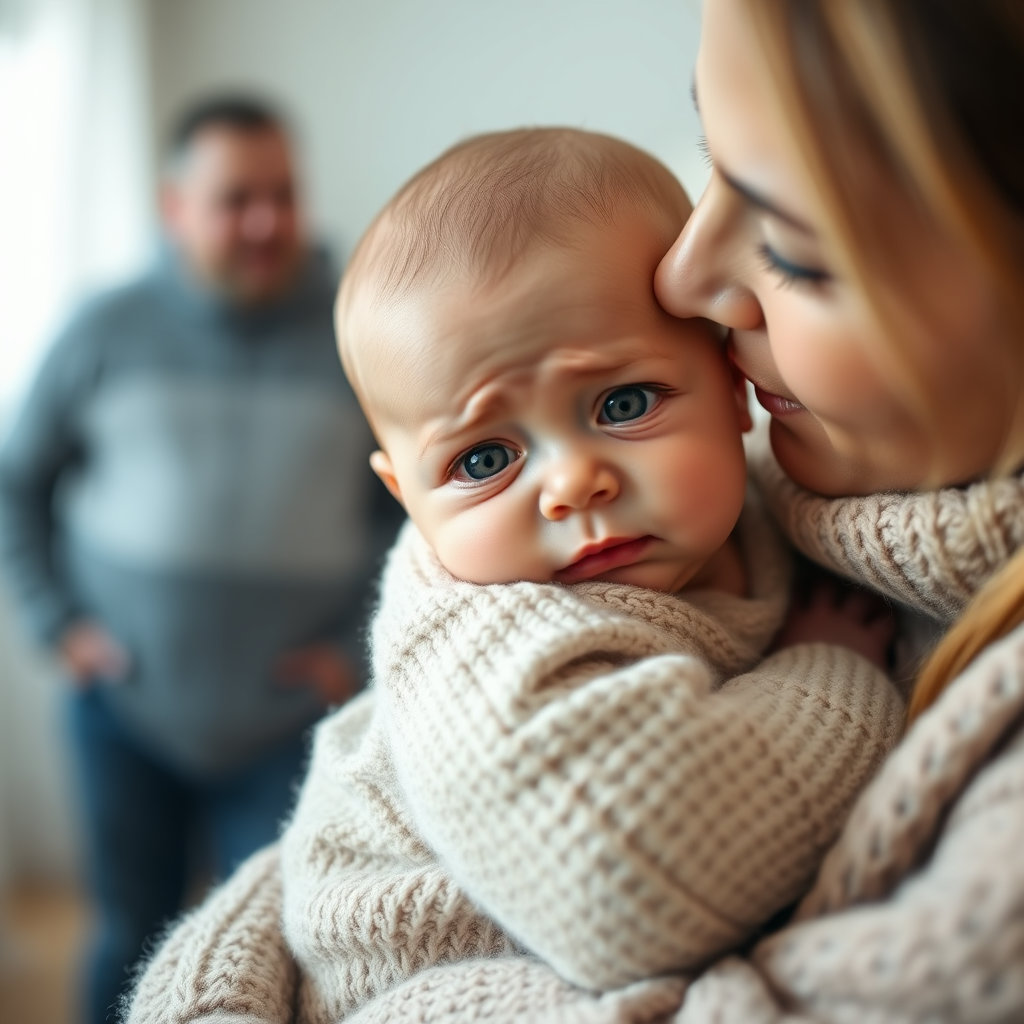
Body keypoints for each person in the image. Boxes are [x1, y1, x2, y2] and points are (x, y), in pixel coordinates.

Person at [124, 127, 906, 1024]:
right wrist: (831, 672)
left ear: (732, 385)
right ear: (408, 500)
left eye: (623, 404)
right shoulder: (489, 641)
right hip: (417, 972)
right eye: (486, 457)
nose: (573, 483)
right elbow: (630, 885)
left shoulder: (761, 525)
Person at [0, 95, 402, 1024]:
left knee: (280, 952)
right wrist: (58, 626)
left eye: (282, 195)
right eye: (235, 199)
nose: (265, 222)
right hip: (124, 711)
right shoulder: (104, 327)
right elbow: (17, 481)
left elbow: (410, 514)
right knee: (127, 930)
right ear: (175, 207)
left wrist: (352, 647)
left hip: (289, 718)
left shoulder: (361, 329)